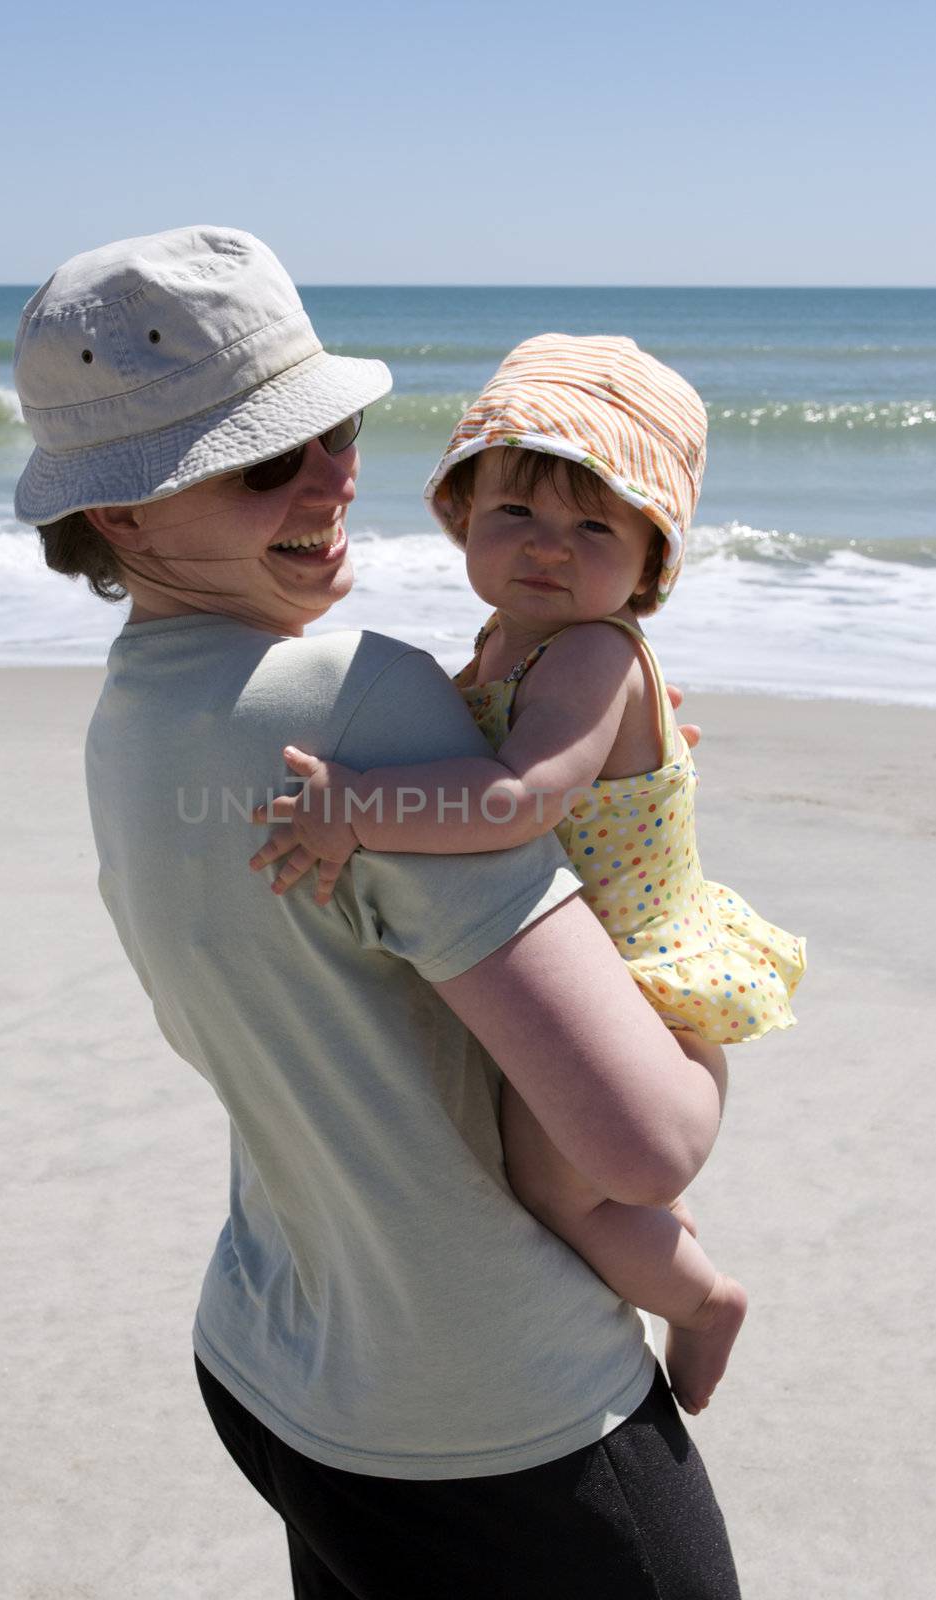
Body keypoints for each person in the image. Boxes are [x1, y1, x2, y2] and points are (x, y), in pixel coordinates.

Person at [13, 225, 740, 1598]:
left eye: (334, 427)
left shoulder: (130, 718)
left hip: (277, 1366)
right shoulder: (366, 710)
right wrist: (697, 1010)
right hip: (492, 1419)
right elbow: (641, 1146)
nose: (333, 475)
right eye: (266, 461)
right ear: (121, 513)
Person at [250, 334, 806, 1417]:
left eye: (594, 526)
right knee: (551, 1174)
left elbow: (516, 797)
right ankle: (665, 1246)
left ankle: (700, 1302)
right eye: (517, 514)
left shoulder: (593, 654)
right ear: (463, 514)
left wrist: (358, 812)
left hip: (638, 991)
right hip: (590, 975)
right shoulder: (511, 640)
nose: (548, 548)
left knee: (557, 1190)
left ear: (649, 561)